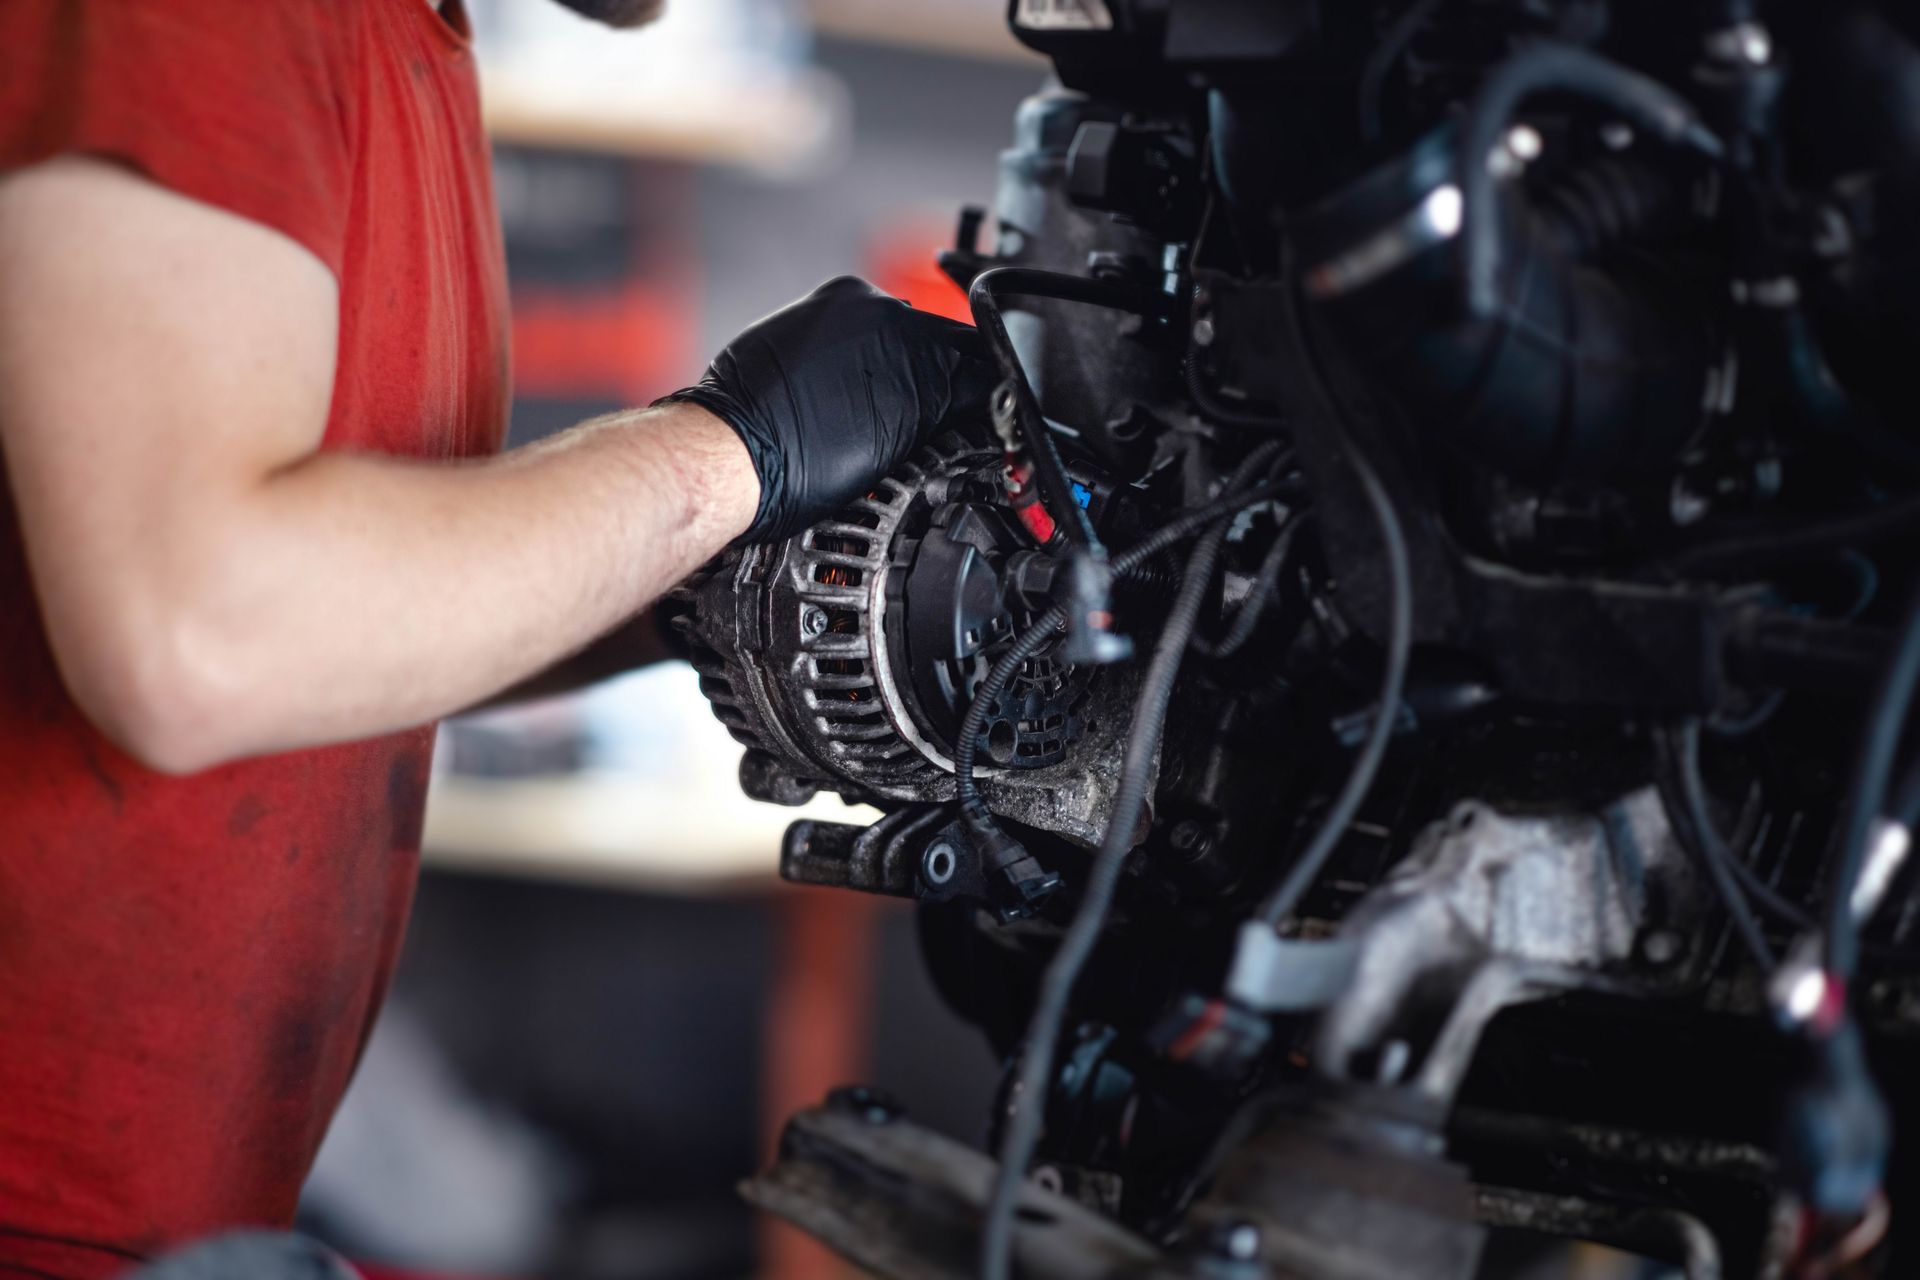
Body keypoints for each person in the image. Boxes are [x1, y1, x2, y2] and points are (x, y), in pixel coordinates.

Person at [0, 1, 991, 1274]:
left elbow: (335, 617)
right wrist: (727, 454)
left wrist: (746, 562)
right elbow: (203, 631)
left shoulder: (399, 37)